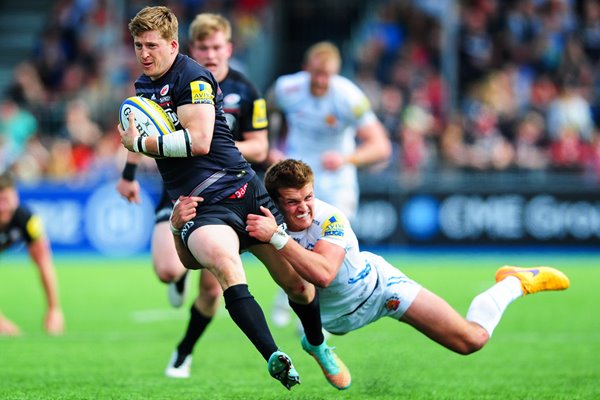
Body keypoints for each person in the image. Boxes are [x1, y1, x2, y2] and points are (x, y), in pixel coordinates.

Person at [118, 6, 349, 390]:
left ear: (173, 45)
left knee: (299, 285)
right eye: (138, 45)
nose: (144, 53)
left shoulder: (192, 77)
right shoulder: (143, 87)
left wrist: (141, 143)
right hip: (199, 205)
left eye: (151, 45)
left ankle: (317, 342)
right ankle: (274, 356)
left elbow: (201, 140)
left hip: (244, 191)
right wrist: (131, 164)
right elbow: (140, 135)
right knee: (225, 271)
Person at [240, 160, 569, 358]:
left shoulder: (330, 217)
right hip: (336, 320)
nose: (305, 207)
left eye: (309, 196)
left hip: (381, 290)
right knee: (331, 325)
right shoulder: (267, 221)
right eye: (294, 201)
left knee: (471, 341)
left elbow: (324, 275)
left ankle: (515, 282)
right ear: (277, 202)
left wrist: (277, 238)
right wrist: (186, 224)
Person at [164, 12, 271, 379]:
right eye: (203, 47)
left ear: (228, 47)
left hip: (230, 191)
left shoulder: (247, 90)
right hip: (190, 188)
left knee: (211, 289)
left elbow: (260, 147)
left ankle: (183, 351)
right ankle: (179, 271)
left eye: (216, 46)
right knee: (169, 270)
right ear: (192, 49)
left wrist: (218, 144)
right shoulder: (180, 84)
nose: (210, 54)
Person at [267, 41, 392, 326]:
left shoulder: (348, 96)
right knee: (293, 239)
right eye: (317, 75)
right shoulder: (287, 88)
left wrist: (348, 158)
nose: (322, 81)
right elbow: (266, 112)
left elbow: (381, 146)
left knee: (329, 246)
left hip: (336, 182)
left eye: (328, 76)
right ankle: (292, 295)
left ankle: (315, 312)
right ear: (305, 70)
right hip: (295, 178)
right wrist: (272, 145)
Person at [0, 171, 64, 336]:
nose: (2, 207)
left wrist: (54, 308)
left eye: (5, 200)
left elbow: (43, 261)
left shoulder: (26, 219)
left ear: (16, 197)